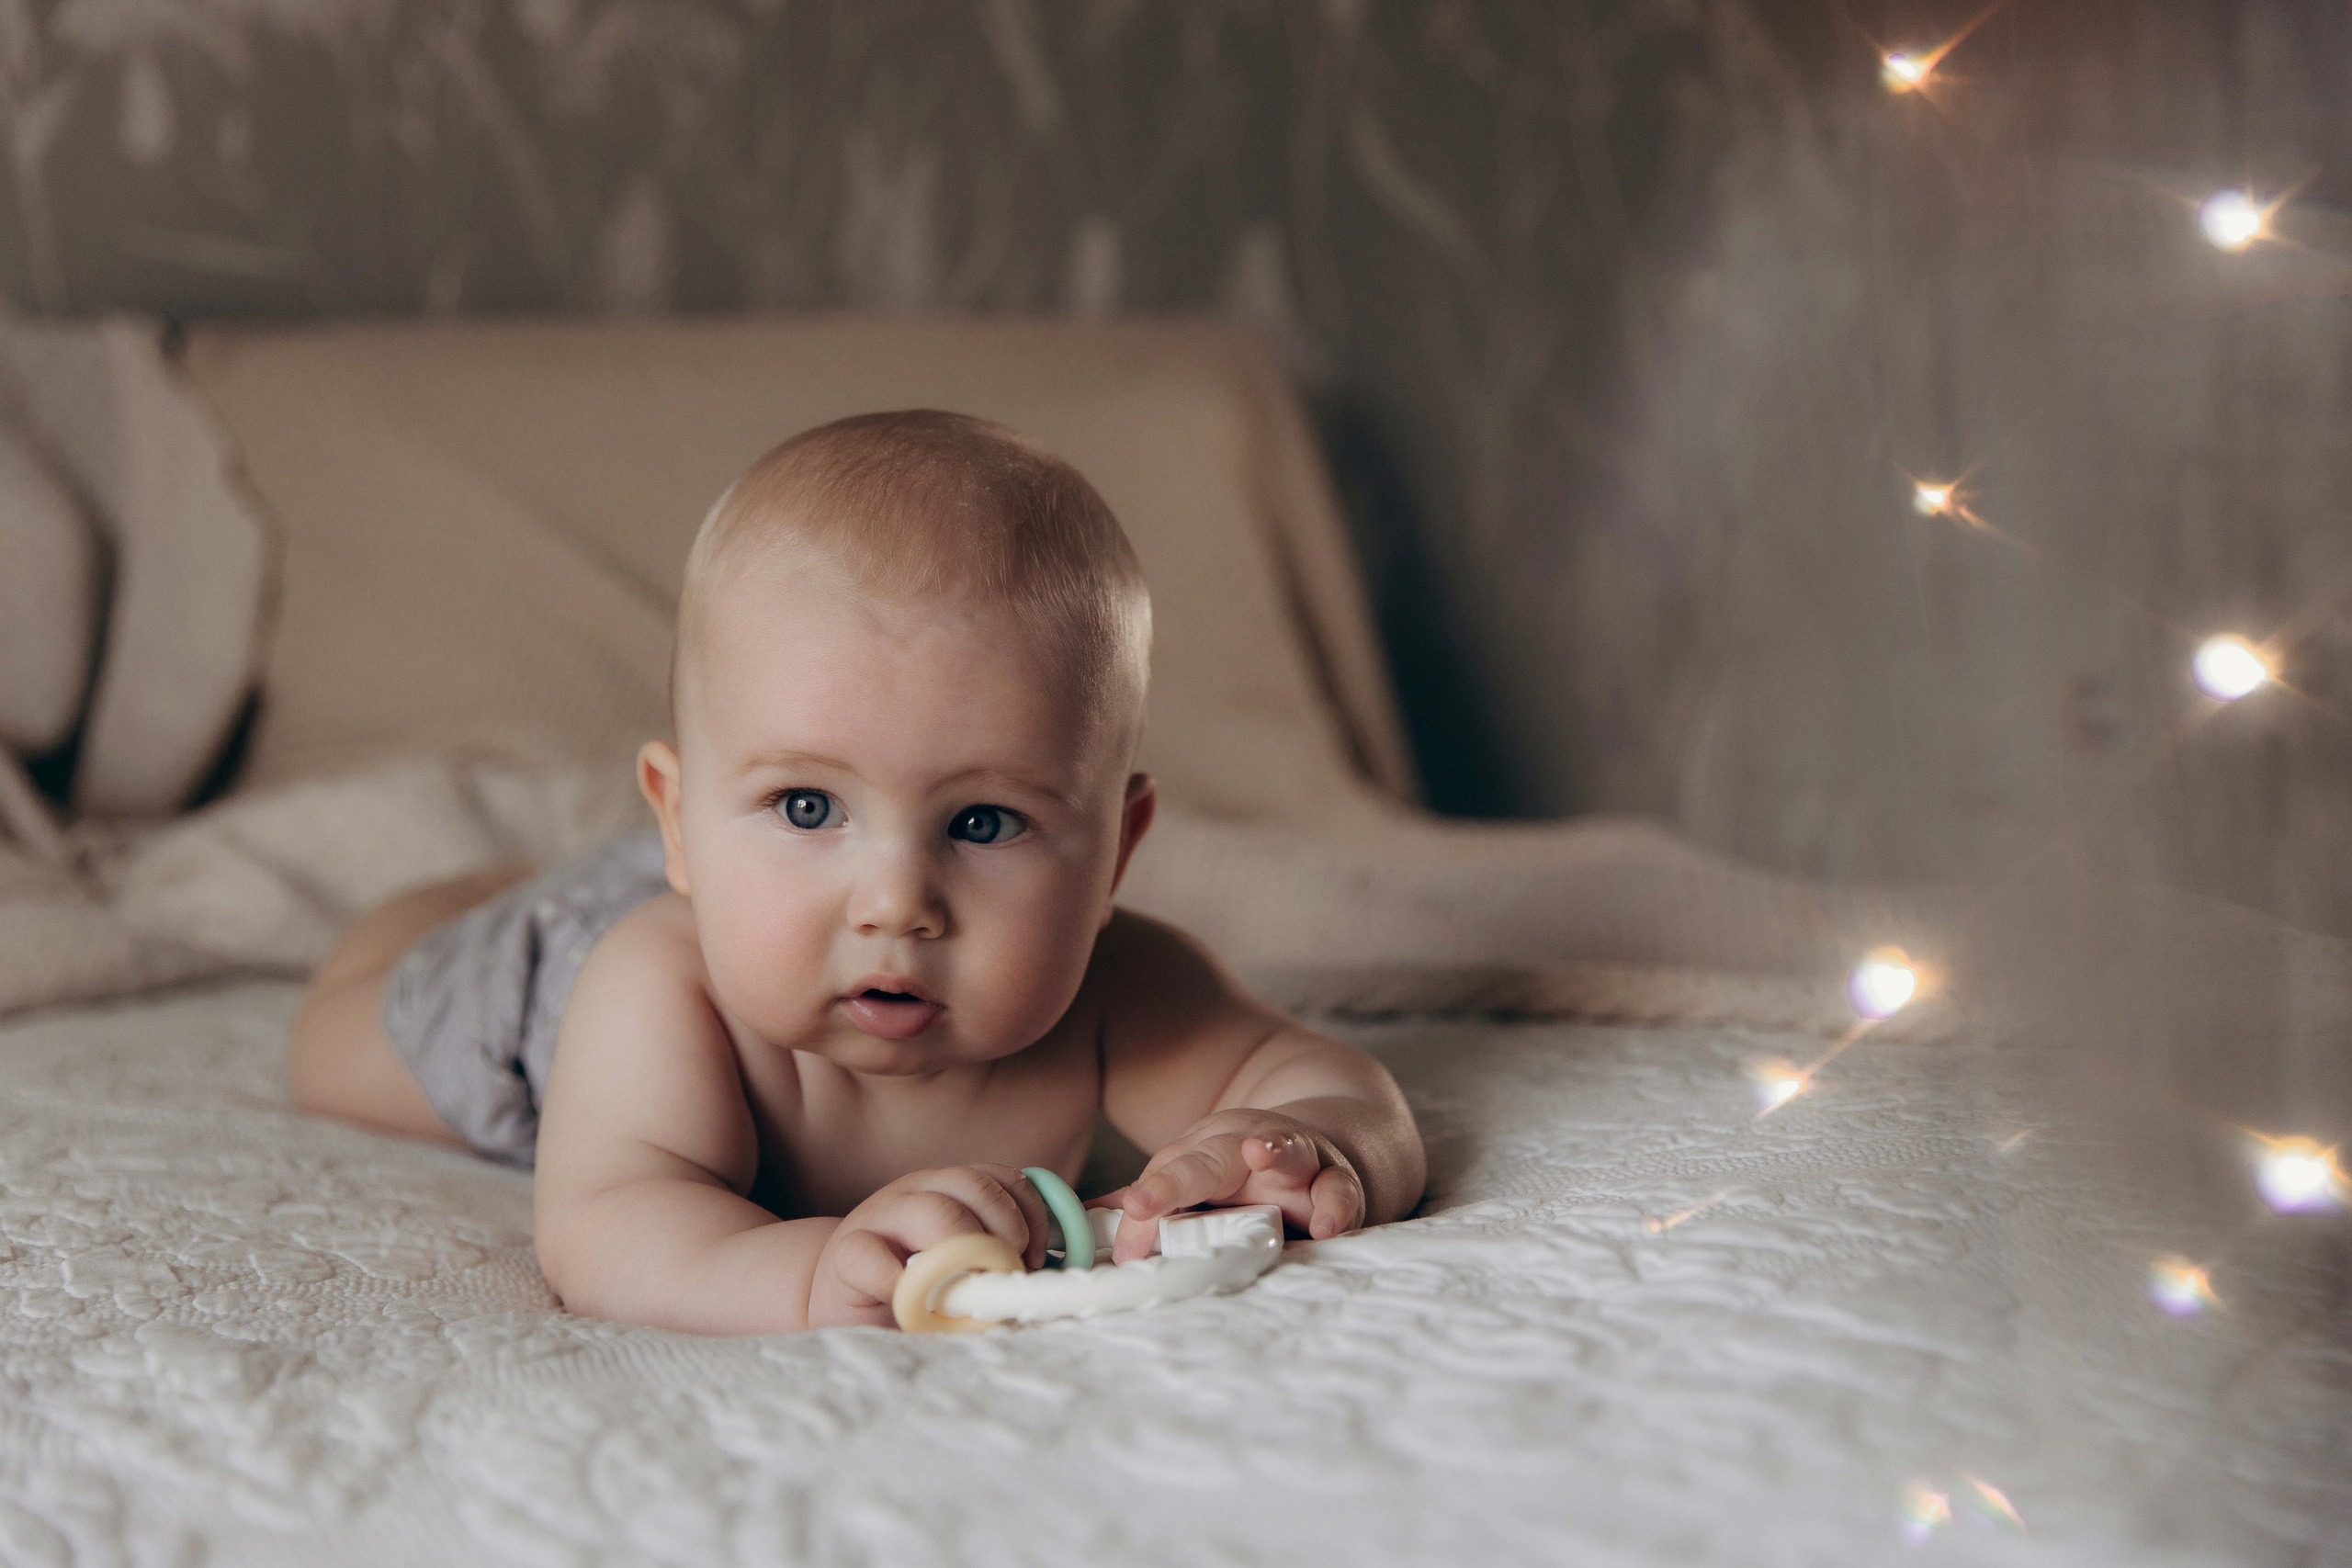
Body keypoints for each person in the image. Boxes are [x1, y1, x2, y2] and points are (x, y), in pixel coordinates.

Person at [287, 410, 1425, 1335]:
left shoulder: (1120, 990)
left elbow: (1332, 1082)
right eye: (807, 804)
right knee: (338, 1050)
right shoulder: (653, 986)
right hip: (549, 988)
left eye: (982, 823)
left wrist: (1311, 1148)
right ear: (681, 822)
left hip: (749, 897)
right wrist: (812, 1270)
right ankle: (458, 895)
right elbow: (608, 1226)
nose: (895, 903)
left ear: (1116, 850)